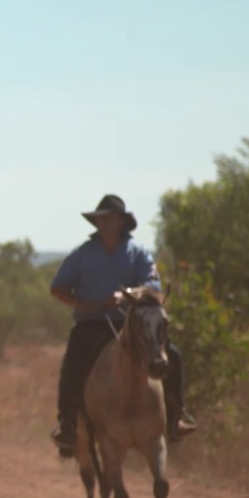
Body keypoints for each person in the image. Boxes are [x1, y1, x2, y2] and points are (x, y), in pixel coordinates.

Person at [49, 194, 198, 453]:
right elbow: (57, 288)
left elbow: (153, 285)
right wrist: (82, 303)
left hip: (131, 322)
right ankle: (68, 424)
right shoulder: (82, 254)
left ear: (121, 222)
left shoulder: (138, 253)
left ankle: (176, 415)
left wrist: (126, 294)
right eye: (101, 219)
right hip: (91, 322)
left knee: (171, 354)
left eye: (110, 218)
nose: (105, 223)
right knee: (72, 361)